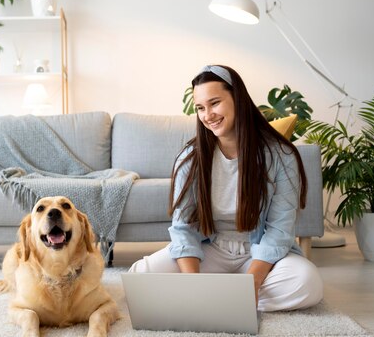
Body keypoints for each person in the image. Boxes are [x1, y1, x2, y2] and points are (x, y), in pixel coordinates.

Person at [129, 65, 323, 311]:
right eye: (200, 107)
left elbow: (279, 231)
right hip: (211, 250)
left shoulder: (280, 156)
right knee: (139, 278)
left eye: (215, 103)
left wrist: (251, 284)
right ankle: (221, 297)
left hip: (259, 254)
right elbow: (183, 228)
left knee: (308, 283)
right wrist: (193, 285)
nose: (208, 114)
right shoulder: (191, 158)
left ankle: (224, 296)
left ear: (237, 99)